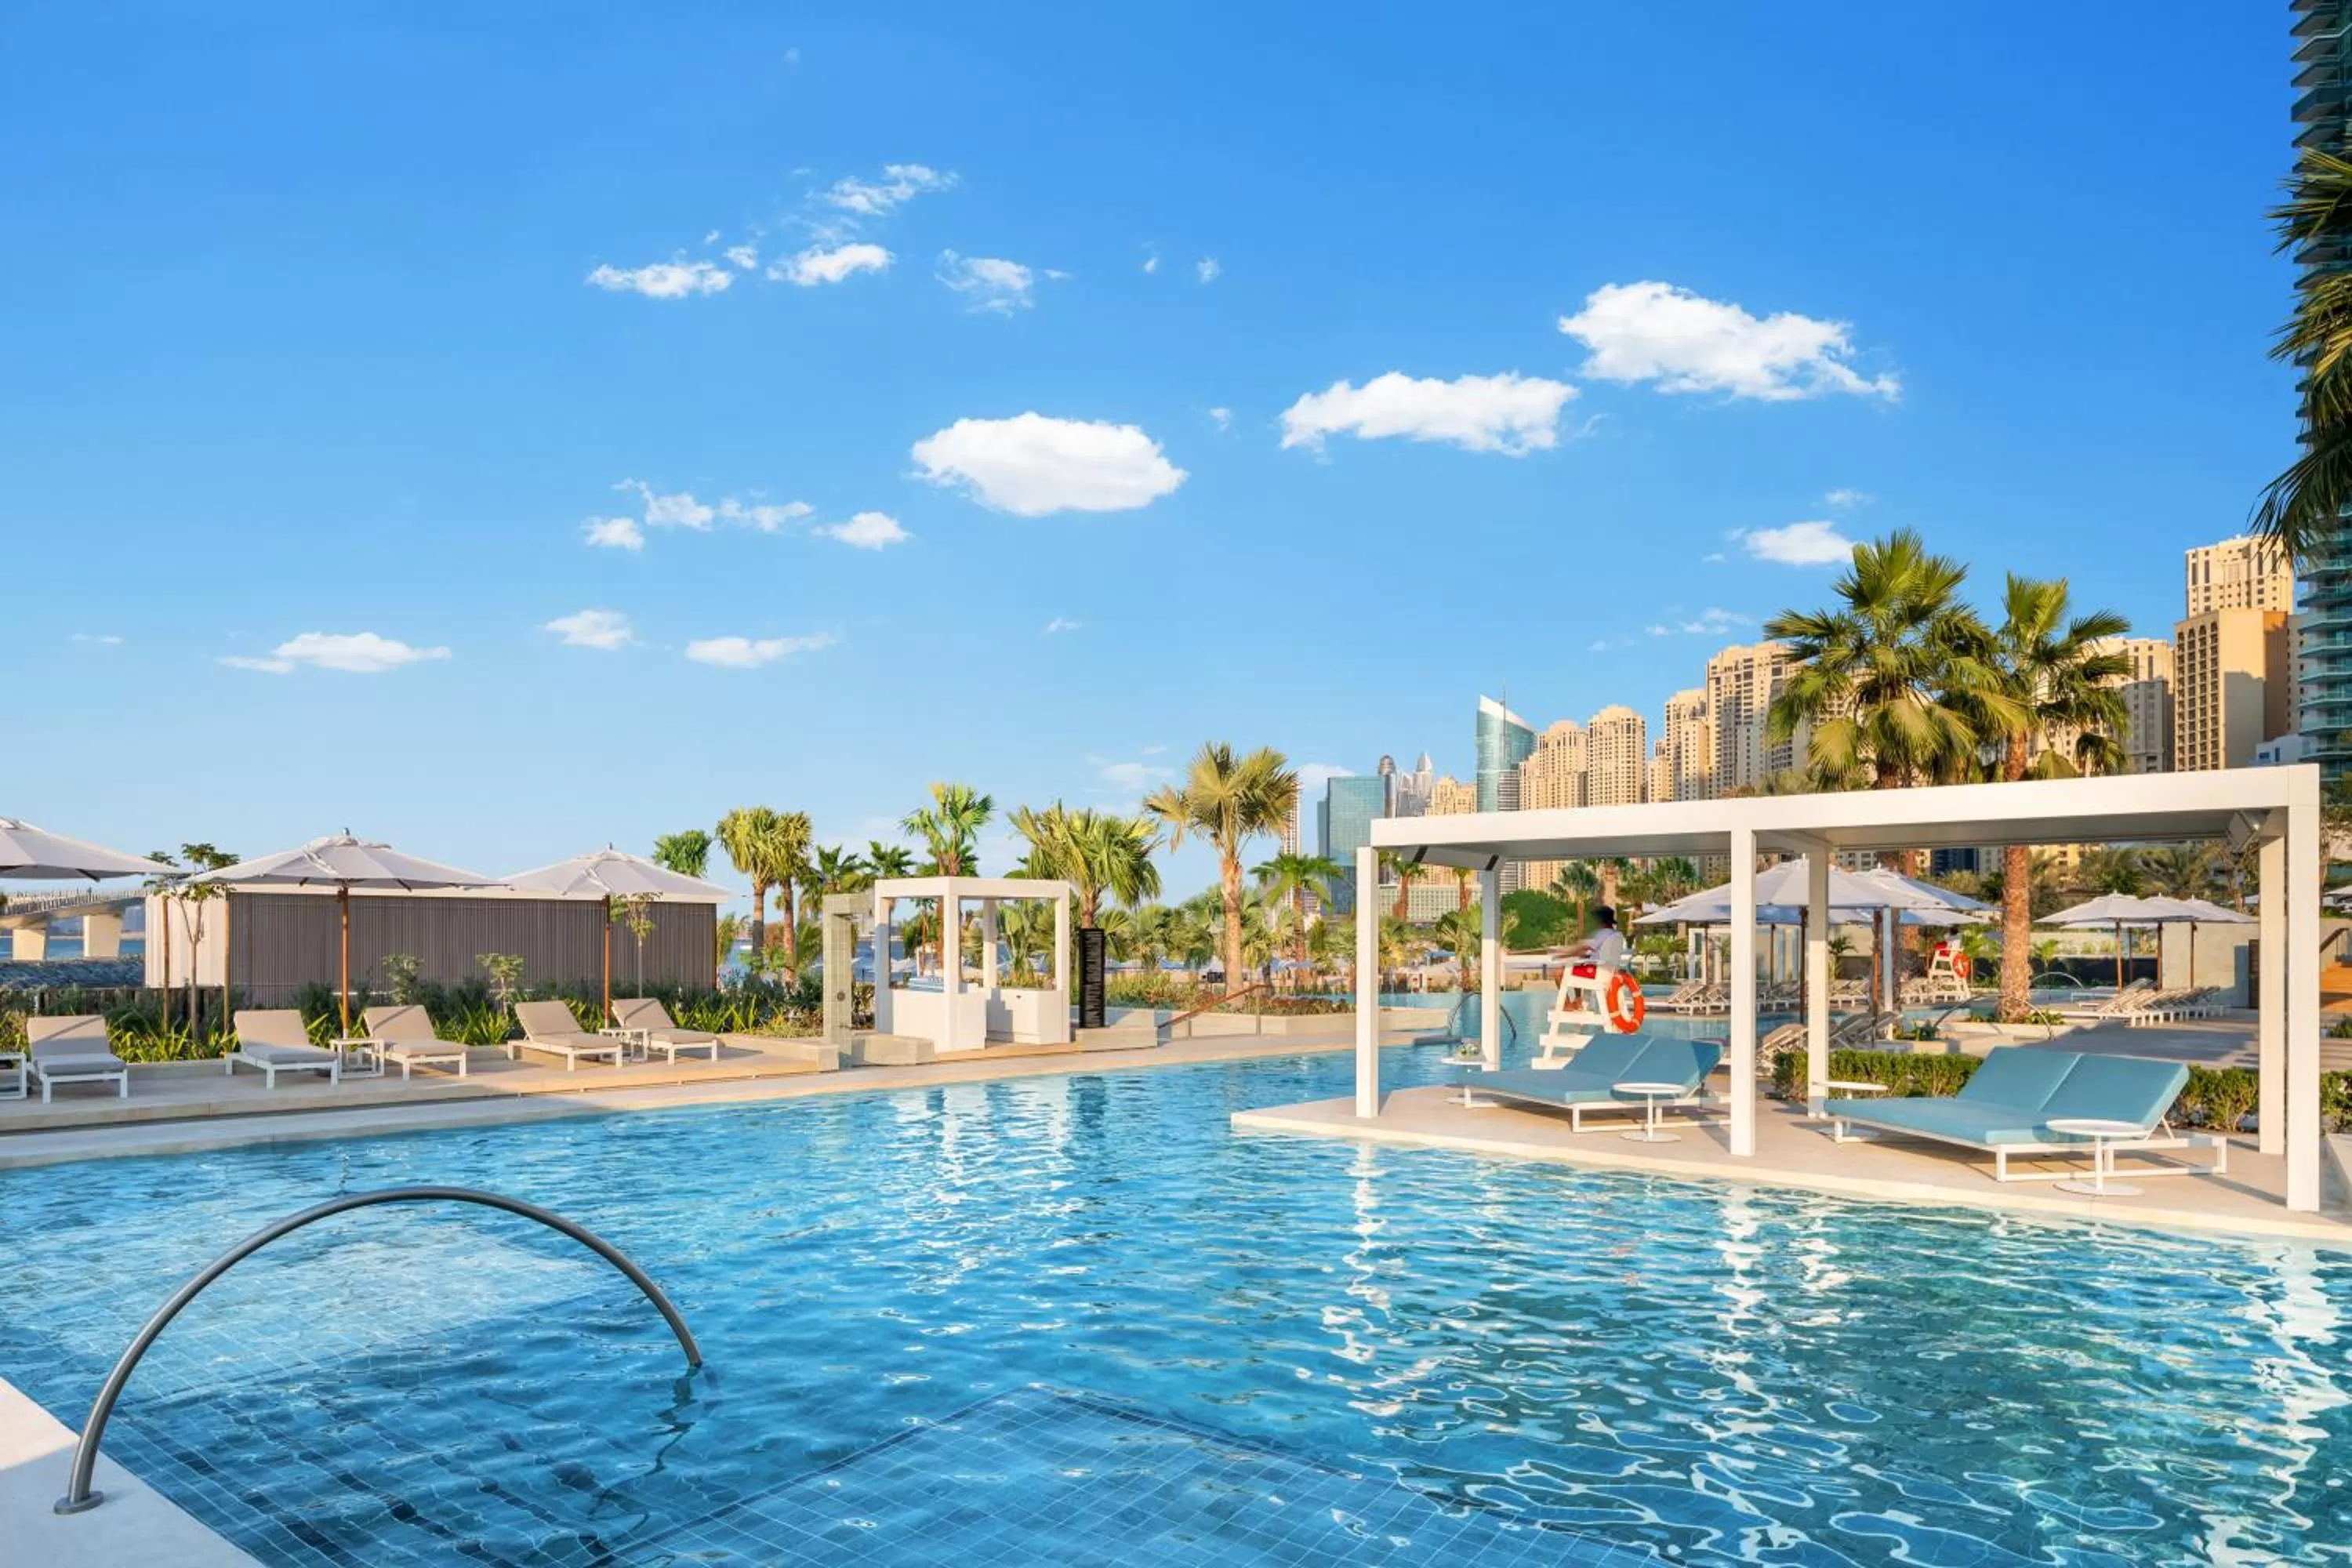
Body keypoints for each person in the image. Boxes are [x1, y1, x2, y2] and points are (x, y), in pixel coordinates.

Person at [1570, 905, 1628, 972]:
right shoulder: (1617, 935)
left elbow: (1580, 948)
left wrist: (1560, 953)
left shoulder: (1601, 934)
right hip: (1611, 969)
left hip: (1596, 970)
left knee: (1561, 970)